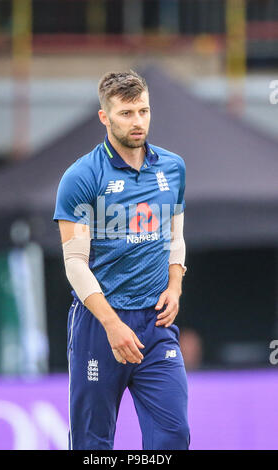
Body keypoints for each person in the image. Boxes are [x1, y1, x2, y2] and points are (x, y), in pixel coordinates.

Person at [53, 70, 190, 450]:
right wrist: (112, 324)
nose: (138, 122)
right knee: (92, 444)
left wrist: (175, 285)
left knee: (174, 436)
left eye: (143, 111)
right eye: (127, 113)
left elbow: (175, 237)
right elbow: (75, 263)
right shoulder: (81, 176)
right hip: (100, 326)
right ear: (105, 117)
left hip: (155, 324)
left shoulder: (172, 168)